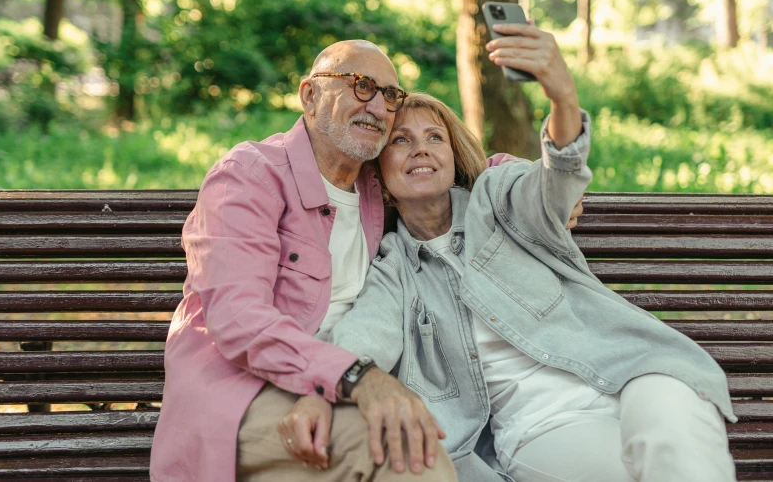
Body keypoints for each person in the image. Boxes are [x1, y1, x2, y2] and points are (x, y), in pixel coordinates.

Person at [150, 37, 580, 481]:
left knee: (415, 449)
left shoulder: (375, 185)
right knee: (417, 464)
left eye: (390, 95)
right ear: (310, 94)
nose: (377, 106)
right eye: (360, 85)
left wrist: (529, 177)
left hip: (338, 393)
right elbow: (238, 318)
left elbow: (454, 166)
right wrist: (355, 375)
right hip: (245, 393)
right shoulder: (250, 175)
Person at [320, 24, 737, 482]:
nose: (420, 148)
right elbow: (357, 344)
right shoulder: (394, 271)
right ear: (379, 176)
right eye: (401, 140)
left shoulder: (498, 198)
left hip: (631, 372)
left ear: (453, 155)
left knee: (679, 447)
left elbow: (554, 181)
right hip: (544, 426)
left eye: (434, 137)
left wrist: (562, 97)